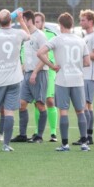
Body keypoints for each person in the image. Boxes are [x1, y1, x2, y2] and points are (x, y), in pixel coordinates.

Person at [37, 12, 91, 152]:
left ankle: (65, 144)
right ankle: (84, 143)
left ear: (60, 25)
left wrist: (52, 66)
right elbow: (87, 62)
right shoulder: (80, 40)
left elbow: (40, 53)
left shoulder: (57, 39)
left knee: (64, 112)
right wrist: (76, 65)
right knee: (80, 111)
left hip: (62, 80)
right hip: (78, 79)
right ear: (72, 24)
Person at [0, 9, 30, 151]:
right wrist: (21, 20)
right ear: (11, 20)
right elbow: (28, 35)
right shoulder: (18, 33)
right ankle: (6, 145)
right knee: (9, 112)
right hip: (14, 80)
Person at [10, 10, 48, 143]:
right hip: (26, 74)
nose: (21, 24)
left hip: (39, 73)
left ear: (28, 20)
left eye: (22, 20)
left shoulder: (40, 35)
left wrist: (35, 72)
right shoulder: (25, 36)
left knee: (40, 104)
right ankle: (22, 134)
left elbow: (45, 57)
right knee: (21, 104)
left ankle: (39, 136)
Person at [72, 9, 94, 146]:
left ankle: (86, 136)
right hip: (83, 75)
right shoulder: (85, 38)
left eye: (83, 20)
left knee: (85, 106)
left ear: (90, 21)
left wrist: (82, 54)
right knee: (88, 106)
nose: (81, 22)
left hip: (89, 76)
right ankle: (88, 136)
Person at [33, 12, 58, 142]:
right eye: (34, 21)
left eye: (38, 22)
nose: (36, 24)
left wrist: (54, 65)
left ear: (43, 22)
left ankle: (53, 133)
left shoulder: (51, 35)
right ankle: (37, 132)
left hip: (49, 70)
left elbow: (57, 51)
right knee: (37, 102)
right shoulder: (30, 36)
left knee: (49, 100)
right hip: (34, 72)